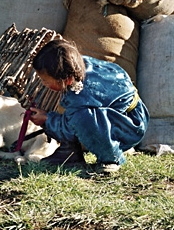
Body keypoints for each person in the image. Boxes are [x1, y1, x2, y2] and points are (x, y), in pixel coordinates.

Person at [29, 39, 149, 173]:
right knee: (78, 114)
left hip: (130, 126)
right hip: (135, 112)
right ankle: (69, 154)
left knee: (82, 118)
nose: (43, 83)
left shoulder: (81, 96)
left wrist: (47, 119)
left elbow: (70, 129)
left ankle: (110, 159)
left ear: (67, 80)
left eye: (45, 80)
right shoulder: (81, 65)